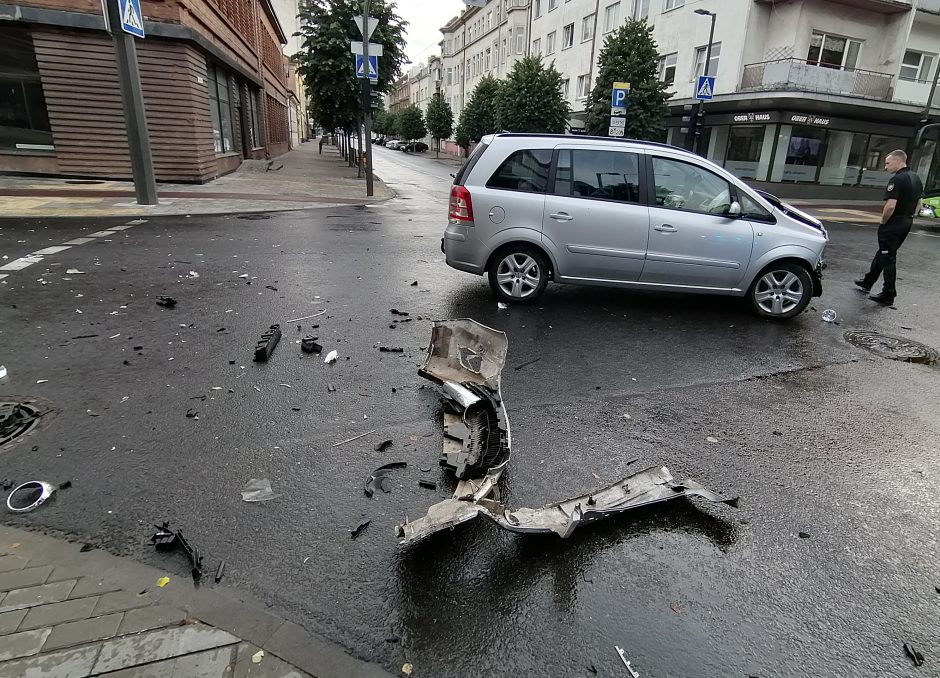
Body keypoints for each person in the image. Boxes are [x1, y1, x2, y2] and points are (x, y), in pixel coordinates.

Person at [855, 149, 923, 305]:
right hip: (907, 221)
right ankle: (868, 281)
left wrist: (883, 221)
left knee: (888, 257)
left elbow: (891, 205)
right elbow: (919, 203)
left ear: (898, 161)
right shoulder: (916, 178)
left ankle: (888, 293)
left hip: (893, 223)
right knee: (884, 252)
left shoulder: (897, 180)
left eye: (888, 163)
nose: (886, 167)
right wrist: (910, 216)